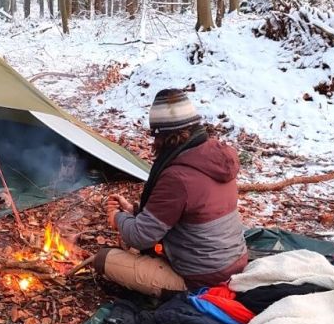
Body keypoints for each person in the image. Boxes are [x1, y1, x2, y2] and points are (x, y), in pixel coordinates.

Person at [95, 89, 249, 296]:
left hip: (203, 278)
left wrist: (118, 218)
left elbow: (141, 237)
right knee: (132, 242)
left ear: (163, 136)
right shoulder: (211, 158)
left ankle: (183, 292)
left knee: (104, 259)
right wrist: (134, 210)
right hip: (235, 261)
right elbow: (185, 211)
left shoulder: (178, 177)